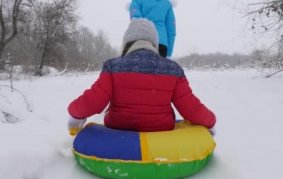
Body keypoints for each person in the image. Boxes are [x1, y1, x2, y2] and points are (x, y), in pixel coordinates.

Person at [68, 18, 215, 133]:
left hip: (119, 129)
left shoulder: (112, 66)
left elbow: (95, 100)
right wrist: (210, 121)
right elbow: (190, 106)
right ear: (155, 43)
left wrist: (75, 112)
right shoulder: (173, 69)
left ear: (127, 43)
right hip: (160, 130)